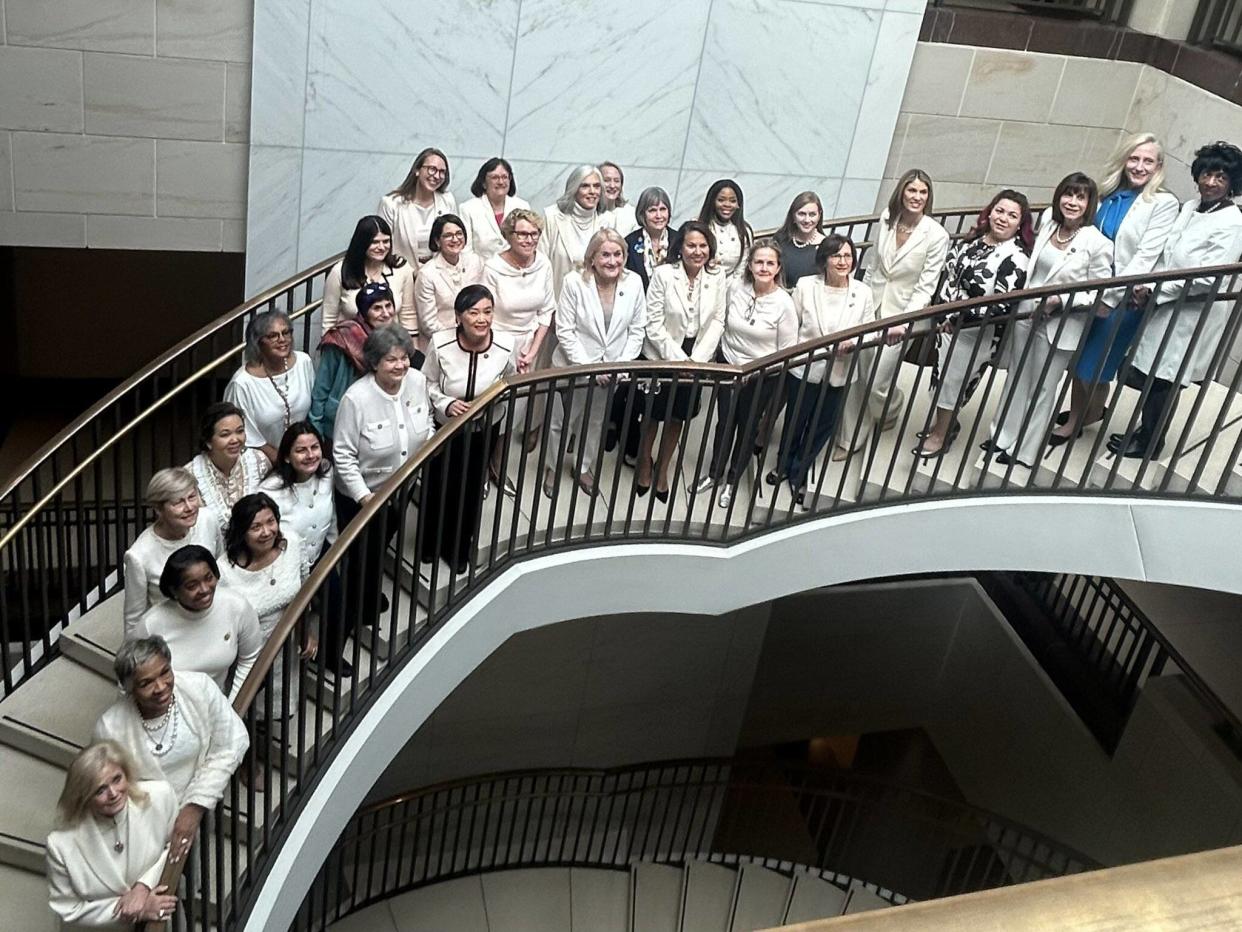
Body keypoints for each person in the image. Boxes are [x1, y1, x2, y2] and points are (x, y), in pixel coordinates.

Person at [1113, 141, 1242, 459]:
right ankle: (1145, 432)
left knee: (1165, 377)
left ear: (1232, 184)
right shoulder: (1189, 207)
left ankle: (1150, 443)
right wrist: (1148, 286)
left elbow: (1209, 278)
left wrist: (1158, 292)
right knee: (1153, 371)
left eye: (1221, 178)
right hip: (1166, 303)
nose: (1211, 183)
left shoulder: (1232, 222)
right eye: (1208, 175)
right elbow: (1167, 255)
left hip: (1191, 313)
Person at [1053, 133, 1180, 444]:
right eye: (1134, 159)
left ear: (1158, 166)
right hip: (1089, 290)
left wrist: (1110, 296)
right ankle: (1087, 411)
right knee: (1080, 357)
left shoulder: (1163, 203)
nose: (1139, 166)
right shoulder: (1108, 194)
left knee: (1093, 363)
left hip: (1122, 297)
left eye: (1147, 161)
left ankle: (1078, 421)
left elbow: (1145, 257)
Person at [988, 172, 1113, 468]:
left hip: (1061, 323)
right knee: (1017, 377)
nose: (1072, 202)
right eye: (1068, 194)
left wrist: (1062, 301)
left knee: (1043, 387)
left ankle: (1026, 451)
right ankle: (1003, 435)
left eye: (1080, 197)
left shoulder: (1097, 243)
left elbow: (1101, 294)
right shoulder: (1048, 222)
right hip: (1026, 313)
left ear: (1089, 203)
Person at [93, 637, 249, 866]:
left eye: (165, 672)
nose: (160, 687)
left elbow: (233, 741)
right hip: (144, 825)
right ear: (129, 689)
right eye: (146, 683)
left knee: (196, 866)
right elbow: (107, 789)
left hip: (200, 806)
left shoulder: (200, 689)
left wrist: (195, 805)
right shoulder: (110, 728)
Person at [836, 169, 950, 459]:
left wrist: (902, 322)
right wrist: (859, 303)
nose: (917, 197)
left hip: (905, 315)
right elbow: (873, 266)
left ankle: (893, 405)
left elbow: (926, 287)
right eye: (912, 191)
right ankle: (850, 439)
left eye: (923, 192)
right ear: (902, 192)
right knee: (857, 373)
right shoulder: (887, 219)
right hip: (871, 307)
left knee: (877, 382)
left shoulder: (936, 235)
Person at [916, 190, 1032, 459]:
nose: (1003, 218)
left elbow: (1001, 304)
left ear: (1020, 224)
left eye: (1012, 216)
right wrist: (942, 313)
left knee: (954, 383)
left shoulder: (1015, 257)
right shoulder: (973, 241)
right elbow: (949, 276)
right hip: (946, 326)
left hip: (974, 332)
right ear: (990, 211)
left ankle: (941, 435)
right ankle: (943, 424)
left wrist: (958, 318)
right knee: (942, 377)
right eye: (1000, 211)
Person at [333, 327, 434, 619]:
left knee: (380, 547)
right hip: (362, 498)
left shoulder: (416, 381)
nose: (401, 365)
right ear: (375, 362)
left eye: (404, 358)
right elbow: (343, 455)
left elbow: (426, 418)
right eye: (392, 359)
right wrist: (366, 498)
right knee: (359, 556)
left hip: (402, 488)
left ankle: (370, 593)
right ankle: (354, 608)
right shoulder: (356, 399)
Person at [769, 235, 875, 503]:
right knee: (796, 418)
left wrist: (853, 343)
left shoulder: (862, 292)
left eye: (848, 256)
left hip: (841, 368)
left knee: (823, 423)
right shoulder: (806, 286)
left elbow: (871, 331)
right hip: (806, 366)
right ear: (824, 260)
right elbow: (792, 325)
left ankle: (799, 470)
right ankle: (783, 463)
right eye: (836, 256)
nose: (843, 261)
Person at [692, 239, 797, 508]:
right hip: (729, 366)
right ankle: (714, 474)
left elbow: (787, 351)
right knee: (724, 423)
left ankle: (732, 480)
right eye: (758, 262)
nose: (763, 267)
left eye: (769, 263)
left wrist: (757, 371)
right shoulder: (736, 287)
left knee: (747, 428)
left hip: (761, 376)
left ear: (778, 268)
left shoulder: (784, 303)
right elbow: (721, 322)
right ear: (749, 265)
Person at [543, 229, 647, 498]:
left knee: (596, 421)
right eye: (605, 255)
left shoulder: (633, 283)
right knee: (561, 422)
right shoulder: (574, 282)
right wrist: (591, 368)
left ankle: (583, 466)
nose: (612, 261)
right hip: (573, 366)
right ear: (592, 258)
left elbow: (637, 330)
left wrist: (619, 367)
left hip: (612, 371)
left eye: (618, 254)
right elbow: (564, 330)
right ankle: (552, 468)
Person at [421, 285, 518, 571]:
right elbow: (426, 382)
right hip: (446, 428)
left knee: (471, 489)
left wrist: (493, 400)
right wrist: (446, 403)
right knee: (438, 485)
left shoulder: (505, 344)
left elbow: (510, 381)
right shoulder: (440, 343)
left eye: (487, 312)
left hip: (484, 430)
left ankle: (459, 547)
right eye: (473, 312)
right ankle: (430, 543)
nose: (481, 319)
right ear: (459, 316)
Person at [638, 221, 728, 501]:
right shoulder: (664, 274)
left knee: (678, 417)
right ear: (681, 247)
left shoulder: (718, 276)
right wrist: (679, 361)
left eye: (703, 246)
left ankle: (663, 468)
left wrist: (696, 361)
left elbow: (718, 320)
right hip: (662, 355)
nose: (697, 251)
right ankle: (644, 464)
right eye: (691, 245)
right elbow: (652, 325)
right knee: (652, 415)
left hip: (697, 356)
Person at [47, 742, 179, 927]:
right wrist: (134, 911)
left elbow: (176, 847)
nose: (113, 793)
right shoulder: (61, 845)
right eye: (100, 790)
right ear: (83, 797)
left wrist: (143, 886)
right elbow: (68, 909)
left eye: (117, 779)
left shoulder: (159, 797)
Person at [133, 545, 262, 703]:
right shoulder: (151, 624)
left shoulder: (236, 606)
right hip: (166, 710)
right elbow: (131, 676)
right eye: (192, 586)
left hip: (216, 707)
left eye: (209, 578)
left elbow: (250, 658)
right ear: (174, 591)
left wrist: (233, 707)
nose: (204, 589)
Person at [220, 493, 311, 713]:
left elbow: (305, 588)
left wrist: (306, 632)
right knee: (244, 708)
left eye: (271, 522)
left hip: (285, 648)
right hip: (246, 657)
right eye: (256, 527)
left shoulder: (291, 543)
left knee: (281, 706)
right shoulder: (224, 571)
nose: (266, 532)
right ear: (241, 532)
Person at [122, 468, 222, 641]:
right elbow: (134, 618)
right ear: (158, 509)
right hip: (172, 634)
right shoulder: (139, 555)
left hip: (215, 620)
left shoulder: (208, 519)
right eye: (178, 503)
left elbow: (221, 567)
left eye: (192, 497)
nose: (189, 507)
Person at [309, 281, 398, 445]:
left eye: (388, 306)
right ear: (364, 312)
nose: (385, 313)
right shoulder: (341, 337)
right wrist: (316, 430)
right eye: (377, 308)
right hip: (339, 423)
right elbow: (321, 388)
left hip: (378, 423)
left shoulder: (396, 338)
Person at [224, 310, 315, 461]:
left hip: (303, 456)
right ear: (258, 341)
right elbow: (244, 436)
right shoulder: (242, 383)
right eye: (273, 336)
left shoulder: (304, 362)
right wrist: (282, 461)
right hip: (261, 459)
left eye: (286, 332)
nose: (282, 339)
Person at [484, 208, 557, 376]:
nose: (529, 240)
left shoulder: (543, 264)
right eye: (522, 234)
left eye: (534, 234)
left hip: (532, 344)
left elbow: (546, 312)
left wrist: (531, 352)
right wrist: (505, 353)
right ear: (509, 235)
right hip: (497, 344)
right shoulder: (493, 268)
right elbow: (486, 313)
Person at [319, 215, 416, 335]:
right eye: (375, 242)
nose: (381, 247)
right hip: (350, 345)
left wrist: (412, 349)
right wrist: (329, 348)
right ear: (361, 243)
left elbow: (408, 314)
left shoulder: (401, 268)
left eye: (386, 241)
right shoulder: (340, 271)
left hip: (391, 345)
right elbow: (329, 319)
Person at [186, 402, 271, 533]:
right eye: (225, 434)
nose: (235, 440)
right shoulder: (190, 475)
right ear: (208, 441)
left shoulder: (259, 461)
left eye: (240, 431)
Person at [414, 213, 486, 348]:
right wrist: (460, 339)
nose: (455, 239)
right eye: (448, 236)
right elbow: (428, 324)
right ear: (437, 241)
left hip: (476, 339)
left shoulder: (475, 262)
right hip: (442, 343)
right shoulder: (427, 274)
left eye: (459, 234)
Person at [377, 147, 458, 267]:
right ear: (417, 170)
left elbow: (454, 239)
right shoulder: (392, 204)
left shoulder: (447, 200)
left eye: (442, 172)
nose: (436, 176)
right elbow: (382, 245)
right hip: (403, 274)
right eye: (432, 169)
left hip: (440, 274)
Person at [542, 164, 608, 298]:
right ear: (574, 188)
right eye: (585, 186)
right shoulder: (552, 217)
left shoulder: (607, 221)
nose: (592, 191)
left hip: (594, 303)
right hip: (557, 300)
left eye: (596, 186)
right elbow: (541, 264)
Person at [460, 157, 530, 261]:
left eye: (505, 177)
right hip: (481, 272)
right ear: (484, 183)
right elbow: (466, 250)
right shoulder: (468, 209)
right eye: (495, 177)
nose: (501, 182)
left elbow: (529, 244)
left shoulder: (522, 206)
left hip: (515, 271)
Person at [695, 179, 753, 278]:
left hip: (732, 286)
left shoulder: (744, 231)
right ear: (712, 201)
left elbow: (743, 267)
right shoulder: (697, 226)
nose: (727, 205)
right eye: (721, 200)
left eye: (733, 201)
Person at [773, 192, 827, 286]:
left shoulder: (826, 245)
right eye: (801, 214)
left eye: (812, 214)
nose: (807, 220)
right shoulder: (780, 239)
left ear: (819, 215)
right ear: (793, 215)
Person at [624, 186, 673, 290]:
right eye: (652, 210)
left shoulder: (679, 240)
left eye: (663, 209)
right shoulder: (629, 242)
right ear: (642, 213)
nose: (658, 215)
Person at [600, 160, 638, 235]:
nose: (612, 186)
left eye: (616, 181)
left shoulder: (630, 214)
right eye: (607, 180)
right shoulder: (588, 214)